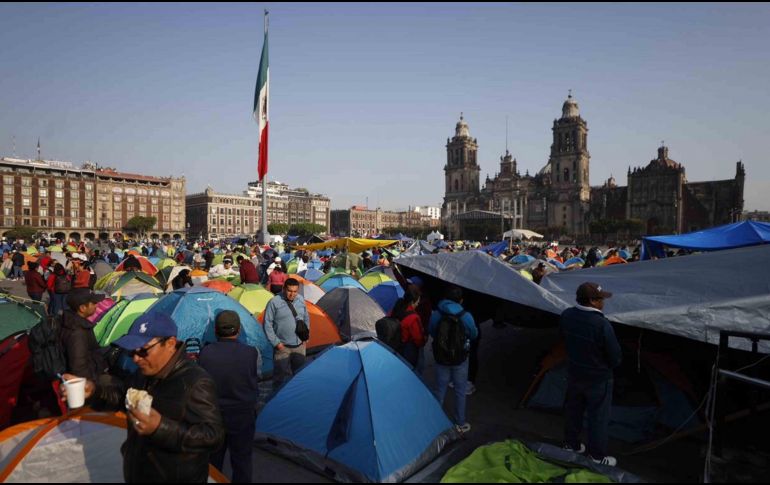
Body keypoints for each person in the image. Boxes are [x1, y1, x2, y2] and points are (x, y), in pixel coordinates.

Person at [62, 313, 225, 483]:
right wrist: (94, 392)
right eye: (131, 351)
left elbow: (213, 436)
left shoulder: (195, 382)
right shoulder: (143, 373)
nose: (136, 358)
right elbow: (123, 398)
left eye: (143, 350)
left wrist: (160, 427)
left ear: (170, 343)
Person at [561, 282, 622, 467]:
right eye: (601, 298)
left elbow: (563, 339)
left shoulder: (566, 315)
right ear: (593, 301)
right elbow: (615, 357)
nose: (603, 302)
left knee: (573, 411)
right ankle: (596, 456)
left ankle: (570, 445)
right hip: (598, 378)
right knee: (598, 417)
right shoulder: (601, 324)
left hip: (575, 372)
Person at [198, 311, 259, 483]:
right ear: (238, 330)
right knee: (242, 461)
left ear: (216, 331)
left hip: (213, 415)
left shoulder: (205, 353)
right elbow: (255, 378)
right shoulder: (251, 353)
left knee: (213, 462)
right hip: (242, 414)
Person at [429, 286, 477, 434]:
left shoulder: (437, 313)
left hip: (441, 357)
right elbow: (474, 334)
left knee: (440, 389)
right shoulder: (466, 315)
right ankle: (460, 422)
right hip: (460, 358)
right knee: (460, 390)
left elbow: (432, 331)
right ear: (461, 300)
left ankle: (435, 422)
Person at [263, 278, 310, 387]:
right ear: (284, 289)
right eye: (289, 291)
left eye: (295, 291)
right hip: (282, 347)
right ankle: (275, 398)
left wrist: (306, 335)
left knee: (299, 375)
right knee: (279, 377)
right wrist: (276, 343)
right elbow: (267, 324)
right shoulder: (274, 302)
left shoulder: (301, 300)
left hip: (299, 346)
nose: (292, 294)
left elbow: (306, 318)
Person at [59, 288, 108, 382]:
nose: (96, 305)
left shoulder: (69, 320)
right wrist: (92, 385)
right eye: (93, 303)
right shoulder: (78, 332)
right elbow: (79, 368)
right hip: (86, 382)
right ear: (82, 308)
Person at [391, 286, 425, 368]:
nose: (418, 303)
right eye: (418, 300)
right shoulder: (413, 317)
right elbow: (419, 340)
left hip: (394, 347)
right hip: (407, 351)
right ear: (412, 301)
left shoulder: (397, 307)